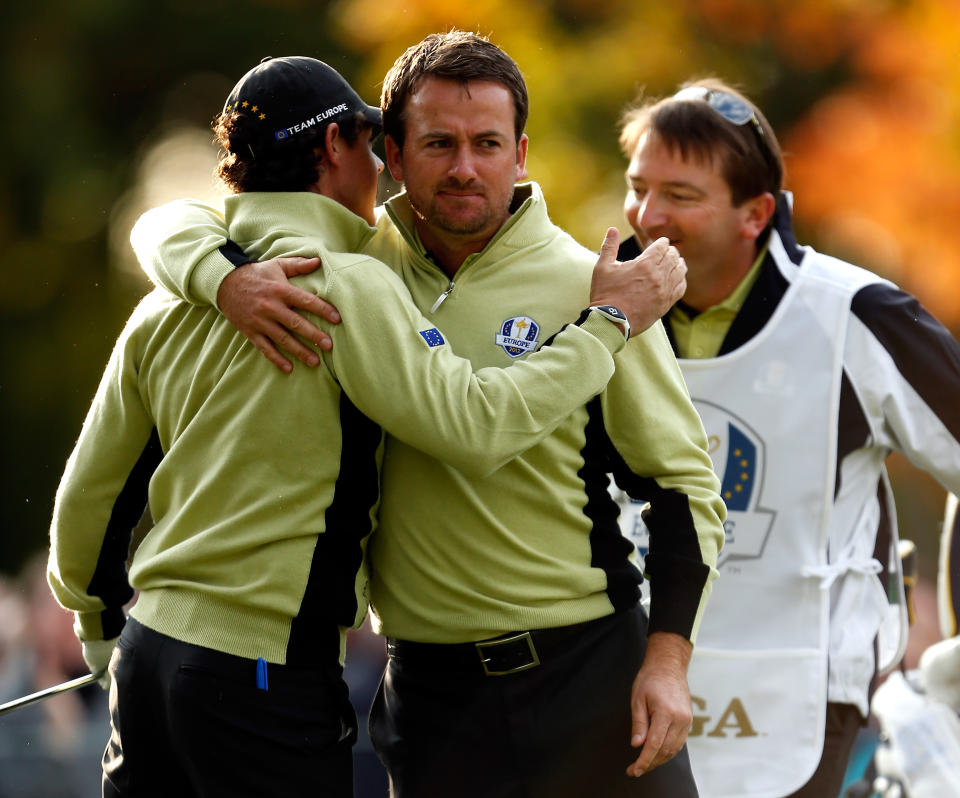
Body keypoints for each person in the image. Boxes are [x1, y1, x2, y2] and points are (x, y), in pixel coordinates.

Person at [46, 54, 689, 798]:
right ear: (333, 149)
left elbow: (88, 499)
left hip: (148, 657)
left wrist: (99, 633)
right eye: (371, 139)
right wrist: (607, 324)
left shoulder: (171, 296)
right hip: (262, 669)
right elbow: (474, 426)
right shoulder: (350, 281)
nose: (388, 167)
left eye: (484, 144)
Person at [613, 77, 960, 798]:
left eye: (680, 195)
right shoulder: (597, 315)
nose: (648, 215)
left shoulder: (857, 316)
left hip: (801, 692)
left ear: (756, 213)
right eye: (638, 187)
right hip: (624, 683)